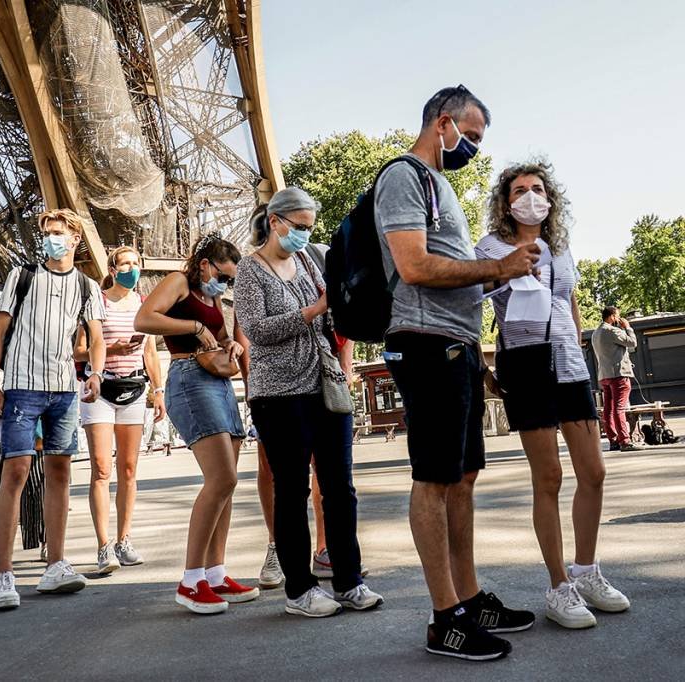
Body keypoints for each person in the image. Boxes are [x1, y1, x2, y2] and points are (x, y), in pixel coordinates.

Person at [376, 85, 537, 660]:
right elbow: (414, 266)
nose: (472, 147)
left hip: (457, 343)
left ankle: (466, 599)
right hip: (426, 343)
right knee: (436, 478)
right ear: (442, 122)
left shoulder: (441, 185)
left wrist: (501, 275)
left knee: (463, 476)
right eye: (469, 135)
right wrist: (494, 264)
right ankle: (444, 617)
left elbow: (451, 271)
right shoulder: (405, 176)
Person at [477, 161, 630, 629]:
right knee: (549, 477)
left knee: (595, 471)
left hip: (568, 364)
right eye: (519, 190)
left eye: (537, 188)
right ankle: (558, 585)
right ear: (505, 202)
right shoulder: (491, 247)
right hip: (525, 365)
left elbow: (569, 300)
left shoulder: (559, 247)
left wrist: (582, 346)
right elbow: (471, 300)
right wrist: (484, 366)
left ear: (550, 197)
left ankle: (587, 572)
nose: (529, 196)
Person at [236, 188, 382, 617]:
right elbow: (257, 331)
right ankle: (299, 589)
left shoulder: (309, 262)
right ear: (275, 221)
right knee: (292, 489)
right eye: (298, 227)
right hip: (278, 394)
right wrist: (314, 310)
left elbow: (333, 317)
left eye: (309, 228)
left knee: (339, 488)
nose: (303, 234)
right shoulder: (250, 270)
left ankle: (348, 579)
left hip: (324, 385)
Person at [0, 208, 106, 610]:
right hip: (22, 385)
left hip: (63, 390)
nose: (52, 239)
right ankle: (4, 574)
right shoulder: (22, 277)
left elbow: (97, 336)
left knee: (60, 471)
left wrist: (95, 372)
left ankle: (55, 563)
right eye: (48, 233)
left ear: (75, 239)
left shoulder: (87, 286)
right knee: (16, 471)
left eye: (59, 233)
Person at [135, 234, 259, 615]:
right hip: (190, 377)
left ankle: (216, 572)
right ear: (204, 264)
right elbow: (144, 319)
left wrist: (232, 344)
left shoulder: (212, 295)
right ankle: (191, 580)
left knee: (227, 485)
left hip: (218, 381)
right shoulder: (178, 282)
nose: (223, 284)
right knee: (222, 479)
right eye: (221, 275)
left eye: (229, 280)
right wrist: (192, 327)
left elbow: (220, 334)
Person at [75, 246, 165, 573]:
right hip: (99, 389)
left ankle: (123, 539)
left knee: (128, 469)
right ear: (112, 269)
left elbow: (151, 353)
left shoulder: (143, 304)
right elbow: (82, 350)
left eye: (135, 263)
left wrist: (159, 390)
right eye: (124, 263)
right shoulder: (95, 301)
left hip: (134, 388)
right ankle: (103, 546)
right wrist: (113, 350)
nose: (131, 268)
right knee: (101, 469)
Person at [591, 306, 641, 452]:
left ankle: (613, 440)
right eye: (617, 316)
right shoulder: (612, 331)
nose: (619, 319)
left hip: (604, 375)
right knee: (619, 408)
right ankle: (625, 441)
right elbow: (632, 343)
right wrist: (628, 327)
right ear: (612, 316)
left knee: (608, 408)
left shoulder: (596, 333)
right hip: (618, 374)